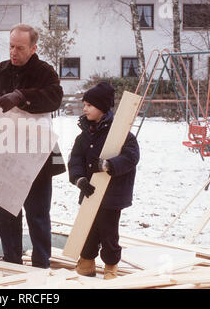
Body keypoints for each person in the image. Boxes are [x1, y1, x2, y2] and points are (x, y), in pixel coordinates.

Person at [0, 23, 65, 269]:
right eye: (11, 46)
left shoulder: (44, 72)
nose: (14, 52)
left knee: (37, 214)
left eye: (20, 47)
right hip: (5, 152)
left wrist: (21, 96)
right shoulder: (1, 71)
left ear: (33, 48)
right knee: (6, 212)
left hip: (36, 156)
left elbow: (55, 97)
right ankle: (12, 262)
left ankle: (41, 264)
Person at [68, 82, 140, 279]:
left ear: (102, 108)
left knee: (108, 231)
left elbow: (131, 158)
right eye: (84, 105)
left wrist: (109, 165)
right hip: (90, 191)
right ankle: (86, 262)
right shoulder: (83, 137)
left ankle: (110, 266)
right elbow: (75, 160)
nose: (85, 109)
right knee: (88, 229)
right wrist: (79, 179)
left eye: (89, 105)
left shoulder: (122, 135)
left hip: (112, 195)